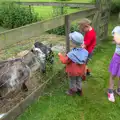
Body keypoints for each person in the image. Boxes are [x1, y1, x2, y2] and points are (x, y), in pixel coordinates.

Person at [58, 31, 88, 96]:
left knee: (72, 81)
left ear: (74, 43)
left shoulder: (71, 55)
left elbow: (64, 61)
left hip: (73, 72)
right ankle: (79, 90)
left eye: (71, 41)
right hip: (80, 71)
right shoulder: (84, 51)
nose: (71, 43)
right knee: (78, 80)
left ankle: (72, 90)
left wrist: (60, 55)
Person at [108, 26, 120, 102]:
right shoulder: (117, 29)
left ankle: (118, 89)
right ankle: (110, 91)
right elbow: (117, 41)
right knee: (113, 74)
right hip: (118, 57)